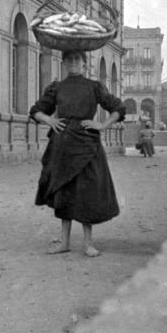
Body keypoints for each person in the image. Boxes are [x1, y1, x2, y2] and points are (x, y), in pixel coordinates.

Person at [30, 49, 126, 257]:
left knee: (87, 193)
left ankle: (88, 244)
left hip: (87, 145)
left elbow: (118, 108)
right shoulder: (57, 87)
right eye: (69, 59)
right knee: (64, 192)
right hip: (62, 146)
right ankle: (64, 242)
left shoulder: (94, 87)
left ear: (84, 63)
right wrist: (50, 120)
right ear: (64, 63)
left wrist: (102, 125)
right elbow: (36, 111)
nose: (73, 62)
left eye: (77, 59)